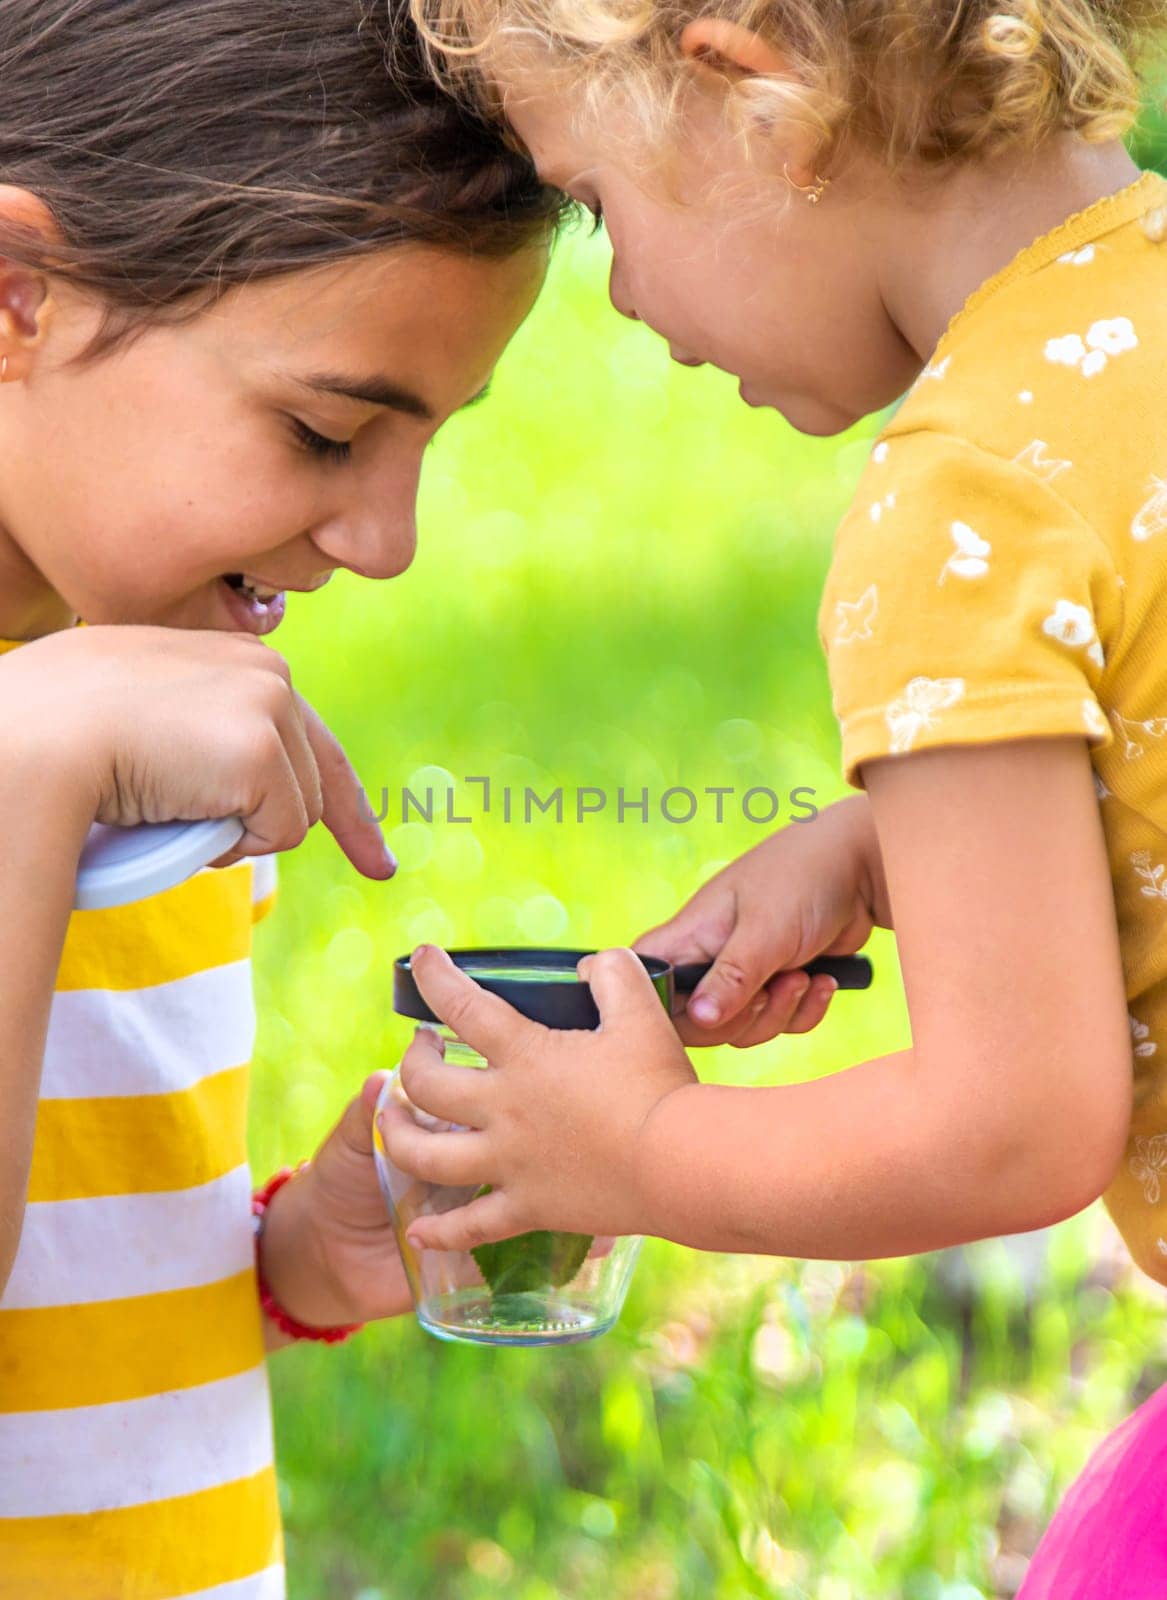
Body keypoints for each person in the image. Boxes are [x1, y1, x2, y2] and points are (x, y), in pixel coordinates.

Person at [379, 0, 1167, 1587]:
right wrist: (895, 845)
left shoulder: (968, 490)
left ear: (755, 100)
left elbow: (1017, 1125)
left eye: (595, 203)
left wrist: (641, 1153)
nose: (621, 298)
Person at [0, 1, 556, 1592]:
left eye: (422, 447)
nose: (386, 541)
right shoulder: (71, 731)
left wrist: (294, 1253)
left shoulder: (150, 712)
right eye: (326, 430)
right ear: (14, 295)